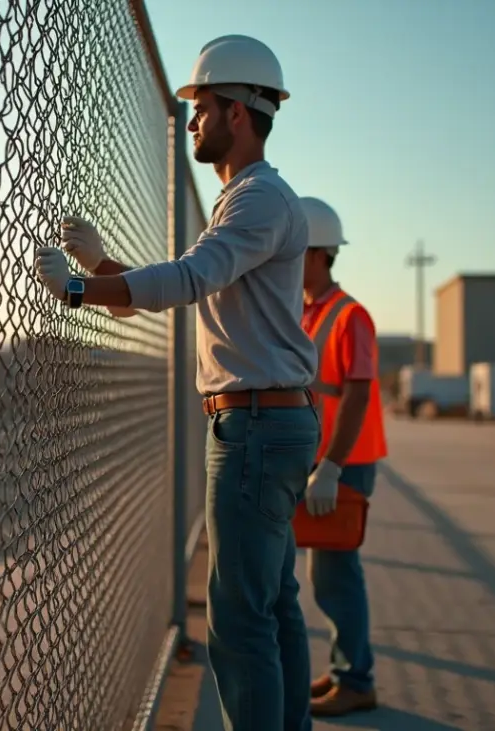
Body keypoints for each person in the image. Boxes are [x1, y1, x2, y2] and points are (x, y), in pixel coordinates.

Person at [32, 34, 319, 731]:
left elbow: (186, 280)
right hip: (266, 421)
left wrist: (75, 291)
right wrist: (103, 267)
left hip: (254, 427)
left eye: (202, 109)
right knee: (272, 604)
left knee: (239, 621)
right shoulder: (249, 204)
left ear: (239, 115)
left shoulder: (259, 200)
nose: (192, 121)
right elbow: (191, 285)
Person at [297, 197, 388, 717]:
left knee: (336, 572)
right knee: (326, 573)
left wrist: (330, 467)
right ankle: (343, 670)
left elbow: (355, 394)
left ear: (315, 255)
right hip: (323, 462)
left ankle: (356, 679)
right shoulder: (309, 312)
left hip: (343, 463)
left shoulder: (350, 316)